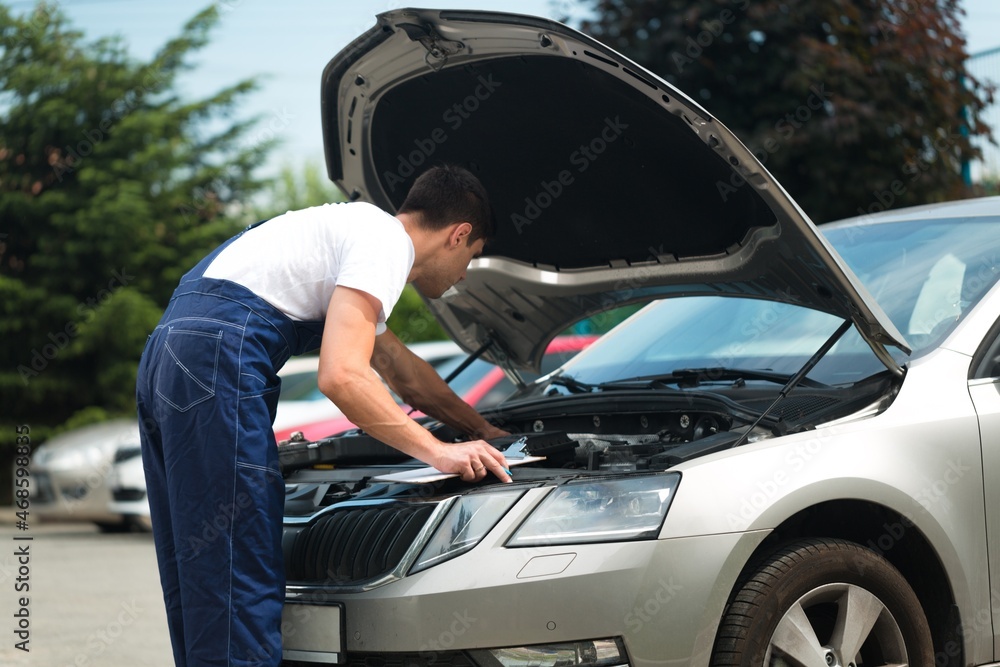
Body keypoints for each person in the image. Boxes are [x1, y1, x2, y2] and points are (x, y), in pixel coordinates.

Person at [135, 164, 511, 667]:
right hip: (215, 357)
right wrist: (440, 452)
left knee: (202, 571)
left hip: (170, 355)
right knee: (235, 571)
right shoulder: (384, 244)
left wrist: (481, 429)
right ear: (458, 235)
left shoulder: (355, 234)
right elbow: (342, 376)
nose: (466, 273)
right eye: (473, 256)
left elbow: (400, 369)